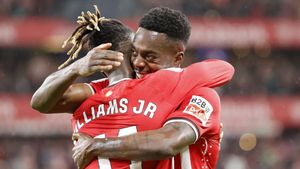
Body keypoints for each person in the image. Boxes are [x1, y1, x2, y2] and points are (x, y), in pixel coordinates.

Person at [31, 6, 234, 169]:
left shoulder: (195, 91)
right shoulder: (98, 91)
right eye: (134, 53)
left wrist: (95, 145)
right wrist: (77, 67)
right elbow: (39, 102)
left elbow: (169, 141)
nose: (137, 62)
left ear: (177, 58)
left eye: (149, 56)